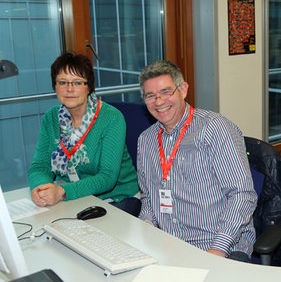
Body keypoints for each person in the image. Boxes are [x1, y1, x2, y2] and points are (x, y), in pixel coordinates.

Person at [136, 60, 257, 262]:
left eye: (166, 92)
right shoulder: (146, 140)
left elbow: (242, 195)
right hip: (168, 245)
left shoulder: (215, 129)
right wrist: (146, 226)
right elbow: (149, 197)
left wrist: (217, 250)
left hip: (217, 245)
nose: (159, 102)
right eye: (151, 96)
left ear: (183, 90)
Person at [28, 52, 141, 216]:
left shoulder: (111, 118)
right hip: (76, 196)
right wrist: (42, 188)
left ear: (89, 87)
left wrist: (61, 192)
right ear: (55, 86)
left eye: (77, 82)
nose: (69, 89)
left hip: (117, 197)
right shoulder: (51, 118)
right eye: (62, 82)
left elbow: (107, 178)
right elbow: (40, 166)